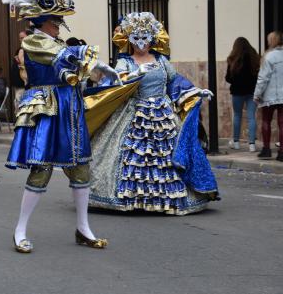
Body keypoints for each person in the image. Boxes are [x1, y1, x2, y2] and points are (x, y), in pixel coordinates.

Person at [2, 0, 122, 253]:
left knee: (80, 170)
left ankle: (83, 228)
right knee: (41, 171)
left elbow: (71, 62)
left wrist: (100, 74)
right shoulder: (34, 41)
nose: (59, 25)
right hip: (48, 111)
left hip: (70, 110)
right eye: (55, 20)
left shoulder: (52, 40)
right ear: (42, 20)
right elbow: (65, 56)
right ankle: (20, 230)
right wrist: (101, 65)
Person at [89, 12, 219, 215]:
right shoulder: (125, 62)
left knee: (167, 156)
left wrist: (196, 92)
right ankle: (133, 198)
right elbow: (116, 84)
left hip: (163, 114)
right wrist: (136, 73)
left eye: (145, 38)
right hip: (135, 113)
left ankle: (169, 199)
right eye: (137, 39)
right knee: (134, 155)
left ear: (152, 39)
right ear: (129, 39)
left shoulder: (161, 61)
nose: (141, 44)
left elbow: (175, 82)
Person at [225, 37, 260, 152]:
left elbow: (228, 78)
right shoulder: (254, 57)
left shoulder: (233, 59)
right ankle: (252, 144)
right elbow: (257, 75)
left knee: (237, 115)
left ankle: (235, 142)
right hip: (252, 91)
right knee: (251, 117)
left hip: (237, 92)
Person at [254, 31, 283, 161]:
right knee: (282, 124)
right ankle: (282, 152)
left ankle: (266, 150)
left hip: (269, 96)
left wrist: (257, 94)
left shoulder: (269, 57)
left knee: (266, 120)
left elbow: (263, 78)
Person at [10, 30, 33, 115]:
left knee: (22, 104)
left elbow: (24, 67)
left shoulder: (27, 50)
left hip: (24, 84)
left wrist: (25, 81)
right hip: (18, 84)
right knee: (18, 103)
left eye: (22, 37)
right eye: (20, 38)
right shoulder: (20, 49)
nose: (21, 40)